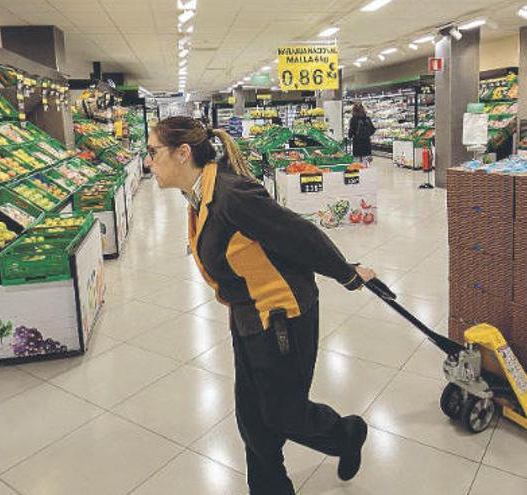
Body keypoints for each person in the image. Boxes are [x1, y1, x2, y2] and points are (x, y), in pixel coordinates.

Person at [145, 116, 376, 495]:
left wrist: (347, 274)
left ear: (183, 153)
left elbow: (299, 235)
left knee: (283, 413)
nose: (148, 161)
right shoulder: (201, 196)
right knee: (252, 416)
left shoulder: (231, 195)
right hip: (249, 315)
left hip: (283, 315)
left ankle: (346, 434)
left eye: (153, 152)